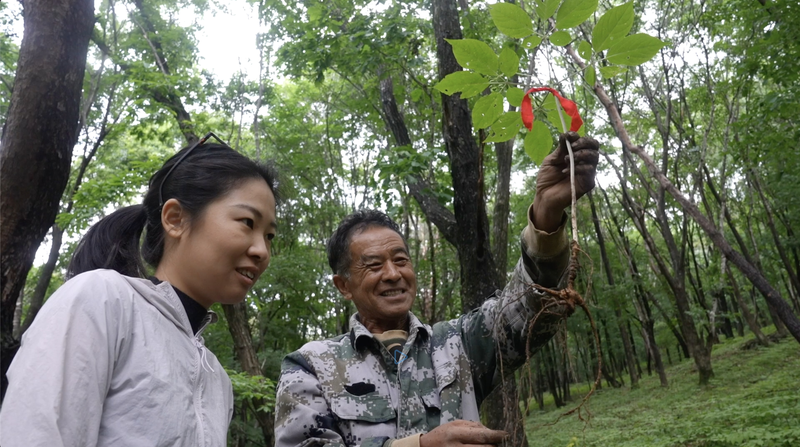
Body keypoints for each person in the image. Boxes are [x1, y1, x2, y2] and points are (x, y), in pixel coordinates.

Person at [274, 131, 599, 447]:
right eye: (373, 265)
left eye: (401, 260)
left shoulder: (460, 344)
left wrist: (546, 212)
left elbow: (531, 305)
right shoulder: (311, 364)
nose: (393, 274)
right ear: (343, 286)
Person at [0, 133, 278, 447]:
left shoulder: (217, 379)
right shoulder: (102, 300)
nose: (262, 251)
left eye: (270, 236)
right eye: (247, 222)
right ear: (175, 219)